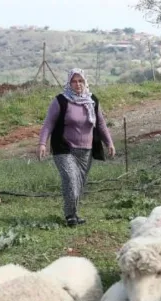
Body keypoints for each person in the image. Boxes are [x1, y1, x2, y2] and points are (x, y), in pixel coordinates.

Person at [38, 68, 115, 227]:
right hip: (64, 149)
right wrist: (42, 143)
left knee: (79, 183)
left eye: (80, 81)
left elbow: (100, 124)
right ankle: (70, 217)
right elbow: (48, 124)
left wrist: (109, 143)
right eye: (74, 81)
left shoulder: (92, 100)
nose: (78, 84)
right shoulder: (61, 100)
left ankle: (73, 213)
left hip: (86, 150)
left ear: (85, 82)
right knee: (71, 180)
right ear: (69, 83)